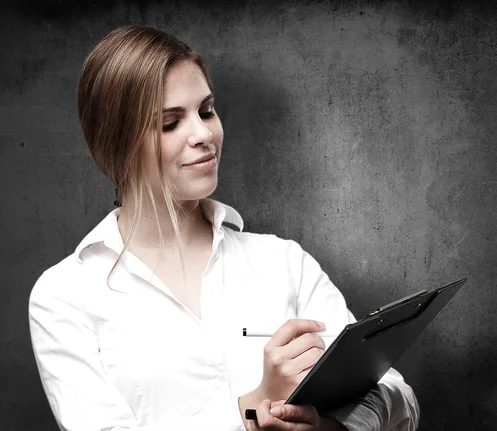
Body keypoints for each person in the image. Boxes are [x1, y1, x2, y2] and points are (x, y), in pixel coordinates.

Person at [28, 26, 420, 431]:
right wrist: (253, 406)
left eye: (207, 110)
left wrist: (328, 428)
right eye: (169, 123)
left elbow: (397, 396)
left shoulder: (282, 261)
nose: (203, 134)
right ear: (116, 145)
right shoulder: (64, 296)